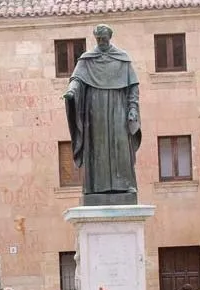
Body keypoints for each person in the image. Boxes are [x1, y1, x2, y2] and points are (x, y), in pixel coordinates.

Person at [62, 24, 141, 204]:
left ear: (110, 37)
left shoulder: (122, 59)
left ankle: (126, 184)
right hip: (95, 110)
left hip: (118, 108)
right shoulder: (87, 59)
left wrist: (133, 109)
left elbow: (133, 87)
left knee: (120, 144)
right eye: (98, 38)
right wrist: (71, 91)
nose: (101, 41)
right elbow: (77, 79)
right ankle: (94, 187)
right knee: (98, 147)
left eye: (104, 38)